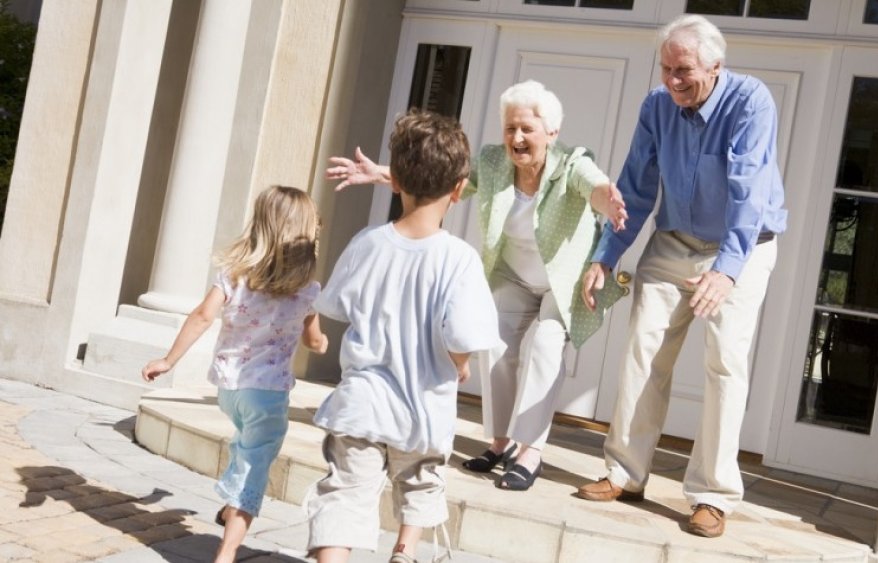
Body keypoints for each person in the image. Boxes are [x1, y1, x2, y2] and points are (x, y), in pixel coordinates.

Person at [327, 80, 628, 492]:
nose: (516, 138)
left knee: (543, 346)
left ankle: (530, 450)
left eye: (526, 129)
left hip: (562, 284)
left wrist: (607, 201)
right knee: (498, 345)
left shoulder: (572, 164)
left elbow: (594, 186)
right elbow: (443, 179)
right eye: (510, 129)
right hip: (514, 276)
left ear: (552, 133)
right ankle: (501, 442)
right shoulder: (491, 162)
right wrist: (383, 173)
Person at [576, 14, 787, 539]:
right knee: (643, 351)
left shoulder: (750, 101)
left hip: (745, 244)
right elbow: (637, 185)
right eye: (666, 68)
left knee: (725, 363)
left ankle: (713, 494)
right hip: (673, 242)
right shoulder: (656, 106)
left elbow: (748, 190)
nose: (672, 81)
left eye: (684, 70)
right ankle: (625, 473)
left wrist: (729, 270)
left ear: (716, 66)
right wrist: (607, 254)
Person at [305, 109, 501, 563]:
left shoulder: (367, 243)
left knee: (345, 493)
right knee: (422, 481)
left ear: (394, 181)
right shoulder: (460, 259)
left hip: (363, 402)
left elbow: (333, 305)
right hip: (423, 408)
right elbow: (463, 335)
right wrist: (462, 363)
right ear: (458, 190)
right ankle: (404, 552)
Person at [141, 185, 328, 563]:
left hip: (229, 390)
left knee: (245, 445)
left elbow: (201, 316)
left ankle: (229, 510)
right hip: (269, 395)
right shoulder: (307, 290)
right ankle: (226, 552)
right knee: (255, 468)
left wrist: (169, 360)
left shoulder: (234, 276)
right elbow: (314, 341)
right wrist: (322, 342)